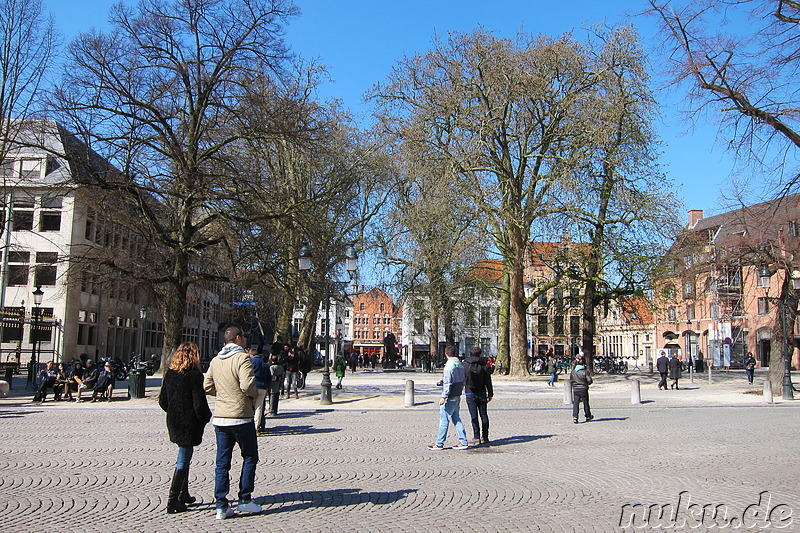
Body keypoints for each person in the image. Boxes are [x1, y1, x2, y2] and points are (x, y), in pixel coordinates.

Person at [204, 326, 262, 519]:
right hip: (240, 416)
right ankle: (245, 499)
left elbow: (207, 386)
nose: (246, 339)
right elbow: (247, 385)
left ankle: (221, 505)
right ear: (238, 338)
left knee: (222, 462)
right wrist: (254, 396)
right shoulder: (242, 358)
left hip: (221, 417)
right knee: (250, 456)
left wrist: (222, 395)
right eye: (244, 336)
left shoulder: (215, 360)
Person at [159, 342, 212, 514]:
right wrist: (205, 417)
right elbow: (199, 404)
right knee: (183, 457)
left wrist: (174, 411)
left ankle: (184, 493)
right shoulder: (194, 376)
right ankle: (173, 499)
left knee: (185, 454)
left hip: (174, 420)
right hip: (189, 421)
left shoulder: (171, 374)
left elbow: (163, 400)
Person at [428, 345, 469, 451]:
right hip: (457, 394)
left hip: (450, 396)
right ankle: (463, 441)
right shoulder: (460, 365)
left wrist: (443, 397)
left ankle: (439, 443)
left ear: (446, 354)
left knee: (444, 421)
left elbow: (447, 383)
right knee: (456, 418)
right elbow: (464, 380)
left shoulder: (449, 366)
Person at [463, 347, 493, 446]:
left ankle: (476, 437)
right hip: (482, 392)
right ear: (480, 354)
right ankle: (485, 436)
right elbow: (488, 381)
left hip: (469, 392)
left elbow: (463, 378)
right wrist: (490, 393)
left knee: (473, 415)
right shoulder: (484, 365)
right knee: (483, 414)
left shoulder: (465, 364)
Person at [249, 348, 270, 432]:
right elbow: (269, 377)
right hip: (263, 387)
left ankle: (250, 426)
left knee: (251, 407)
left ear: (251, 355)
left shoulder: (251, 362)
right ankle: (257, 426)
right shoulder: (264, 364)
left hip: (254, 386)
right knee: (259, 408)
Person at [570, 354, 594, 423]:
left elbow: (571, 380)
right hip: (583, 389)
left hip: (576, 389)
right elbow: (589, 380)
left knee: (576, 403)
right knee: (585, 403)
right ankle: (588, 416)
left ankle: (575, 417)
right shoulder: (585, 372)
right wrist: (587, 384)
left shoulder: (573, 372)